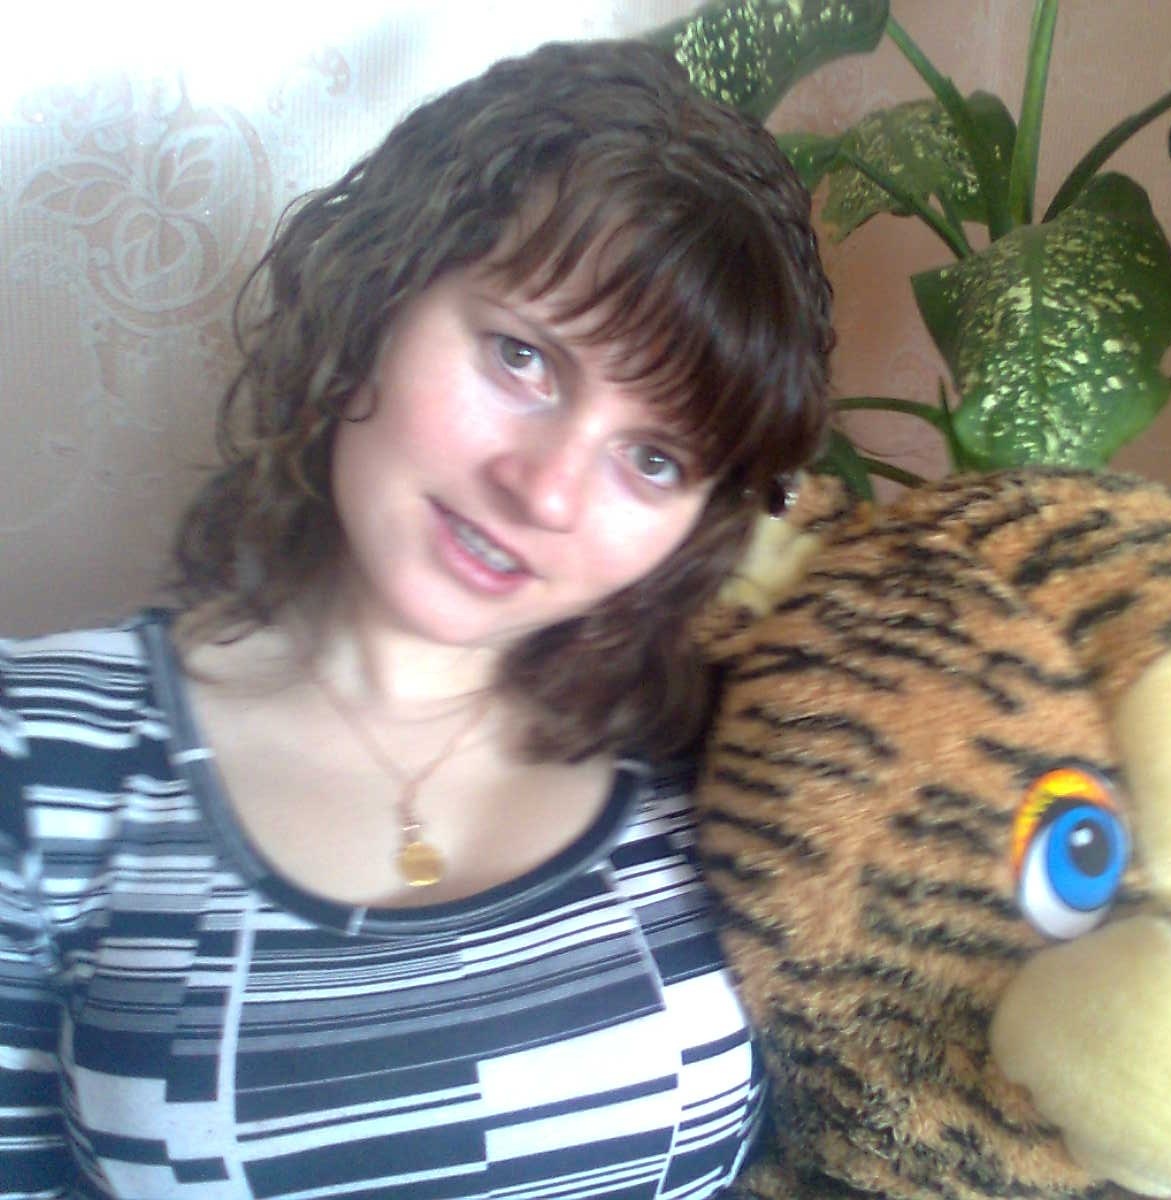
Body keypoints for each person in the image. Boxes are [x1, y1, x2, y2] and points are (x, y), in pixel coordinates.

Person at [0, 36, 833, 1200]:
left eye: (652, 458)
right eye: (522, 357)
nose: (545, 494)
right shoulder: (40, 756)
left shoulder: (733, 759)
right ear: (376, 303)